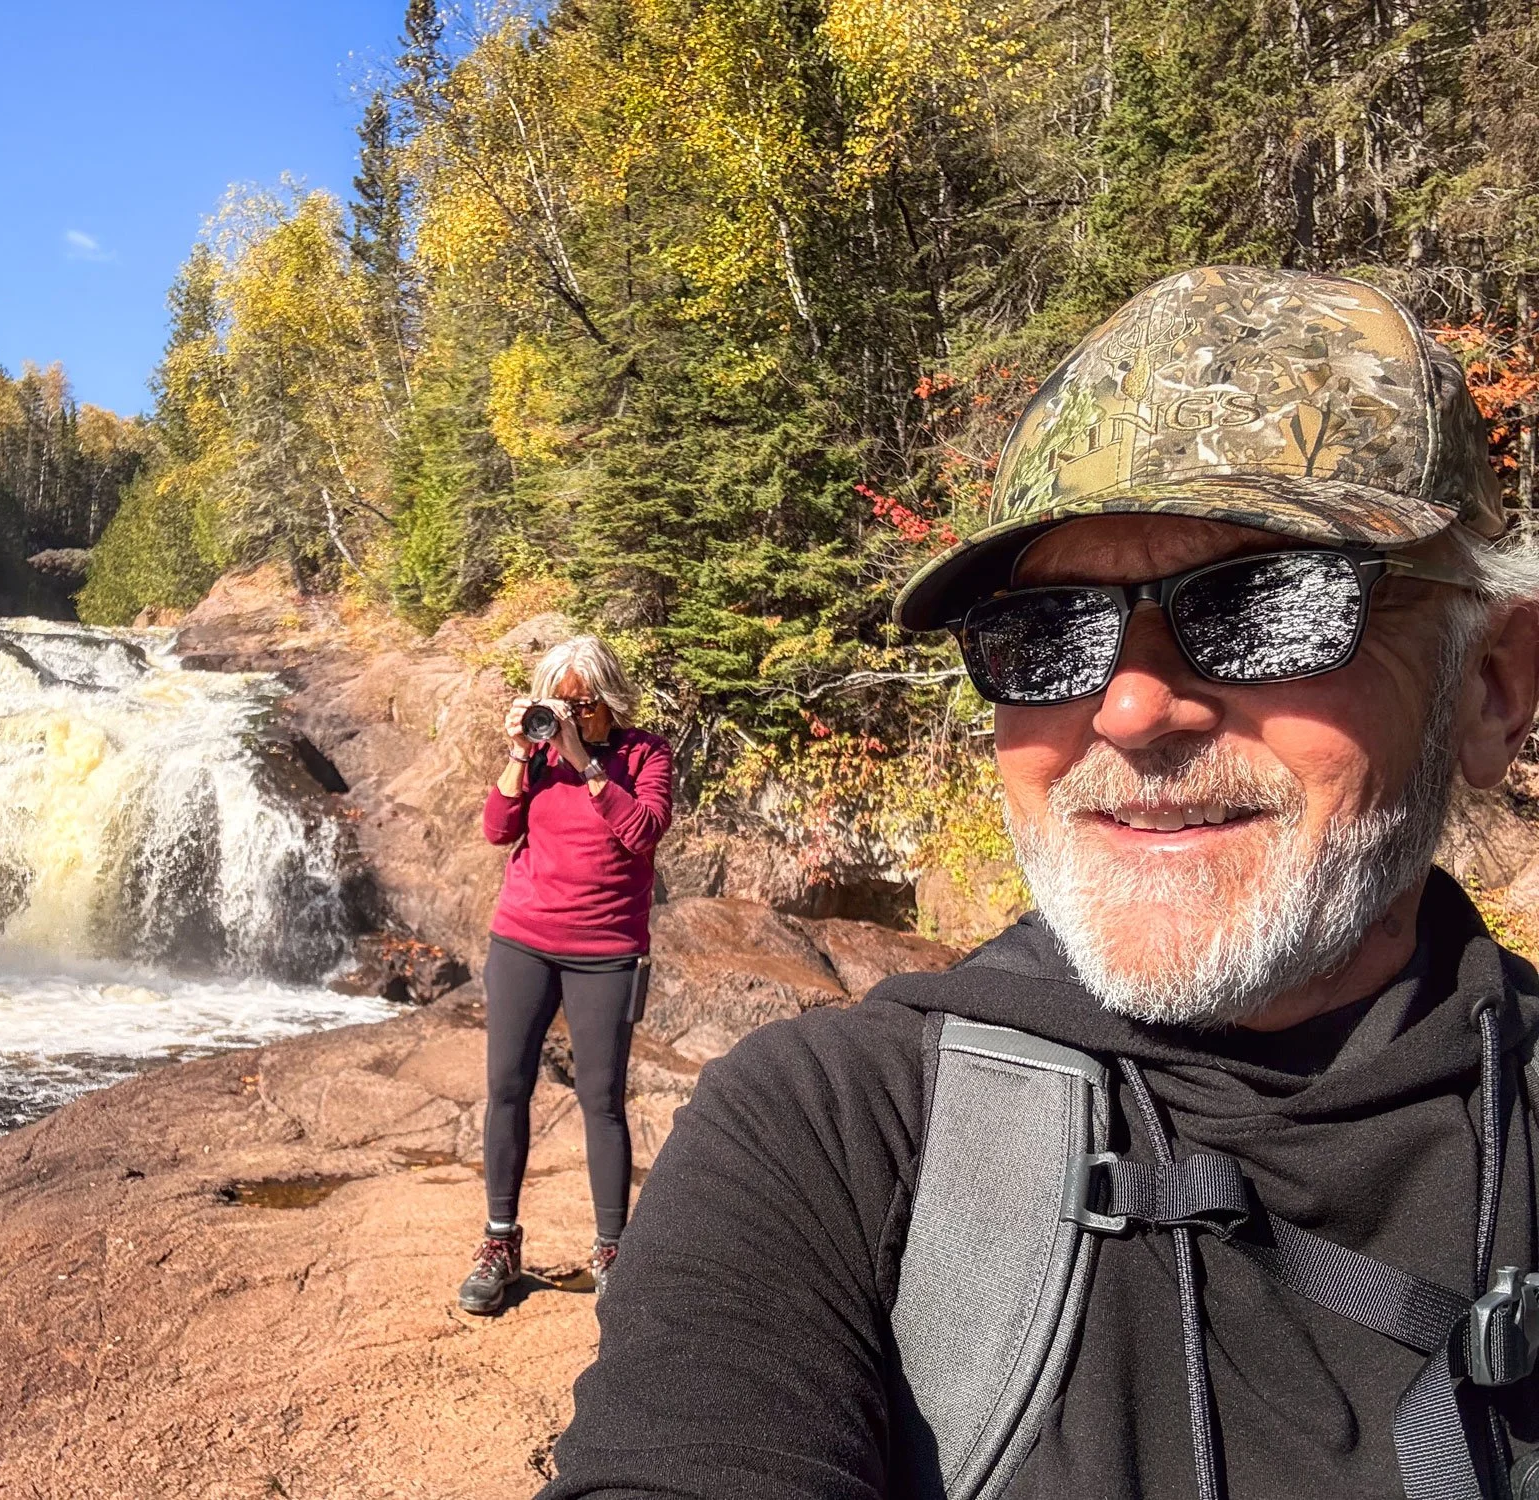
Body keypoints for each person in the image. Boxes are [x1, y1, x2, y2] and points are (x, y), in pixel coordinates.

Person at [538, 266, 1539, 1499]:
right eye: (1046, 632)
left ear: (1492, 687)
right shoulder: (834, 1141)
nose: (1125, 707)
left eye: (1268, 602)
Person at [458, 634, 674, 1315]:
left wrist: (587, 766)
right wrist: (521, 754)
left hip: (606, 949)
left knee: (602, 1102)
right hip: (523, 938)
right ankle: (499, 1242)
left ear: (608, 698)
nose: (572, 716)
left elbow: (642, 832)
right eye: (561, 703)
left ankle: (612, 1250)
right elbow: (497, 830)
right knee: (506, 1090)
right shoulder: (540, 754)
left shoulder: (646, 754)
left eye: (582, 704)